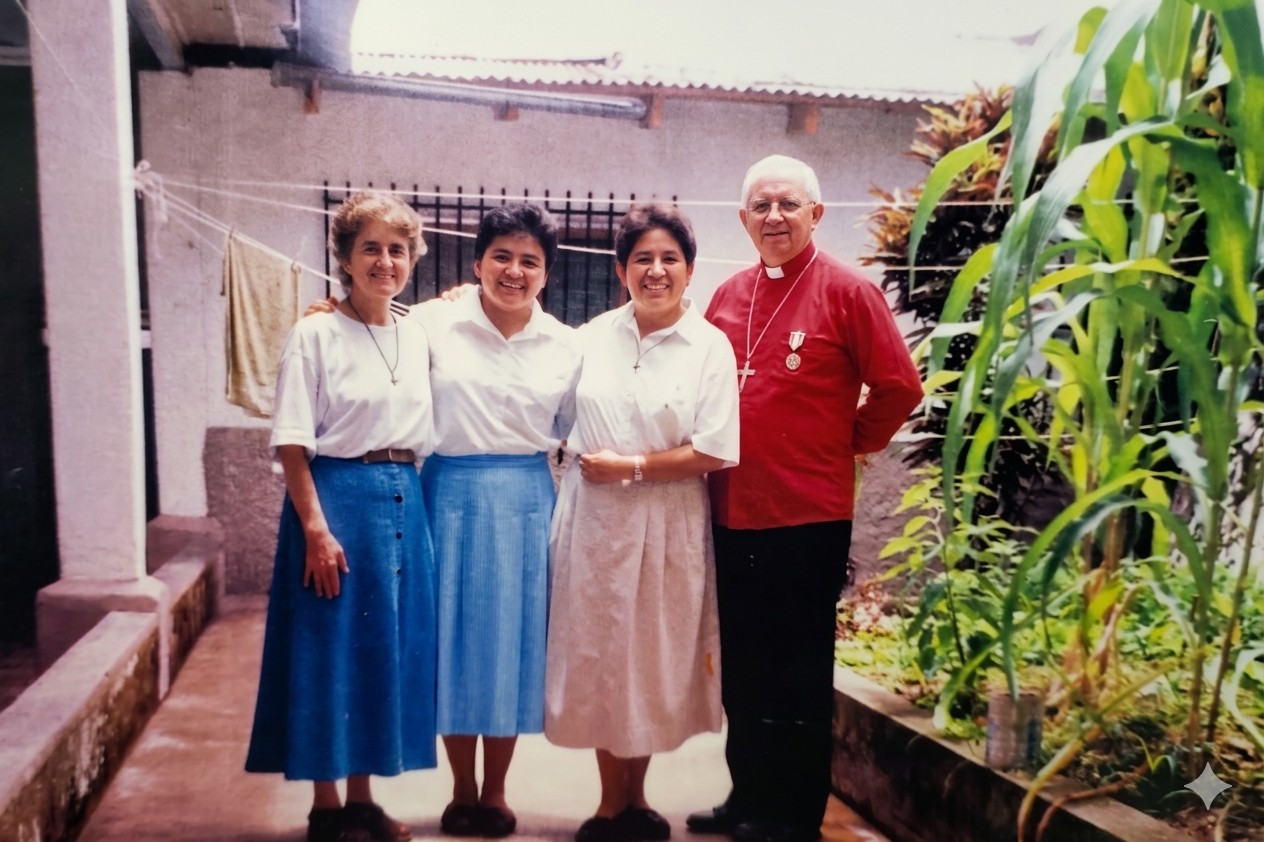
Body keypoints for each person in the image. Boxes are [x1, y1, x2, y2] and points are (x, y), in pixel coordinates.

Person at [686, 156, 922, 842]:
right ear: (743, 219)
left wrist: (846, 442)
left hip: (806, 516)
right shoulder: (728, 295)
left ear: (817, 214)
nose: (774, 217)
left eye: (789, 204)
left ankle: (792, 813)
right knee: (744, 669)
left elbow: (900, 386)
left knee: (797, 671)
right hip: (730, 511)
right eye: (760, 206)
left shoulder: (848, 291)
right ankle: (746, 796)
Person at [245, 191, 438, 842]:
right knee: (330, 647)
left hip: (404, 495)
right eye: (371, 249)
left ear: (413, 258)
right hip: (335, 498)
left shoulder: (417, 332)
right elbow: (292, 440)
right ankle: (326, 806)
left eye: (398, 249)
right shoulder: (315, 332)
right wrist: (316, 529)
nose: (386, 261)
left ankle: (363, 800)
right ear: (345, 260)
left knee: (381, 650)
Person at [545, 202, 740, 842]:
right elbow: (519, 367)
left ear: (689, 270)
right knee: (604, 655)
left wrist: (631, 466)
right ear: (621, 269)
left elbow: (714, 449)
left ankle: (640, 799)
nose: (655, 271)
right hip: (595, 522)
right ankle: (609, 804)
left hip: (668, 518)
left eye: (669, 259)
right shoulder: (587, 337)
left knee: (652, 655)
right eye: (642, 260)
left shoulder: (709, 346)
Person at [410, 203, 580, 838]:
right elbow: (368, 333)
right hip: (447, 492)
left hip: (527, 496)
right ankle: (459, 789)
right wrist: (328, 310)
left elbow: (573, 430)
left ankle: (498, 790)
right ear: (476, 262)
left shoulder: (568, 345)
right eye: (501, 256)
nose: (514, 270)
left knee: (511, 644)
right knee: (454, 639)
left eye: (529, 261)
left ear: (546, 273)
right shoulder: (430, 325)